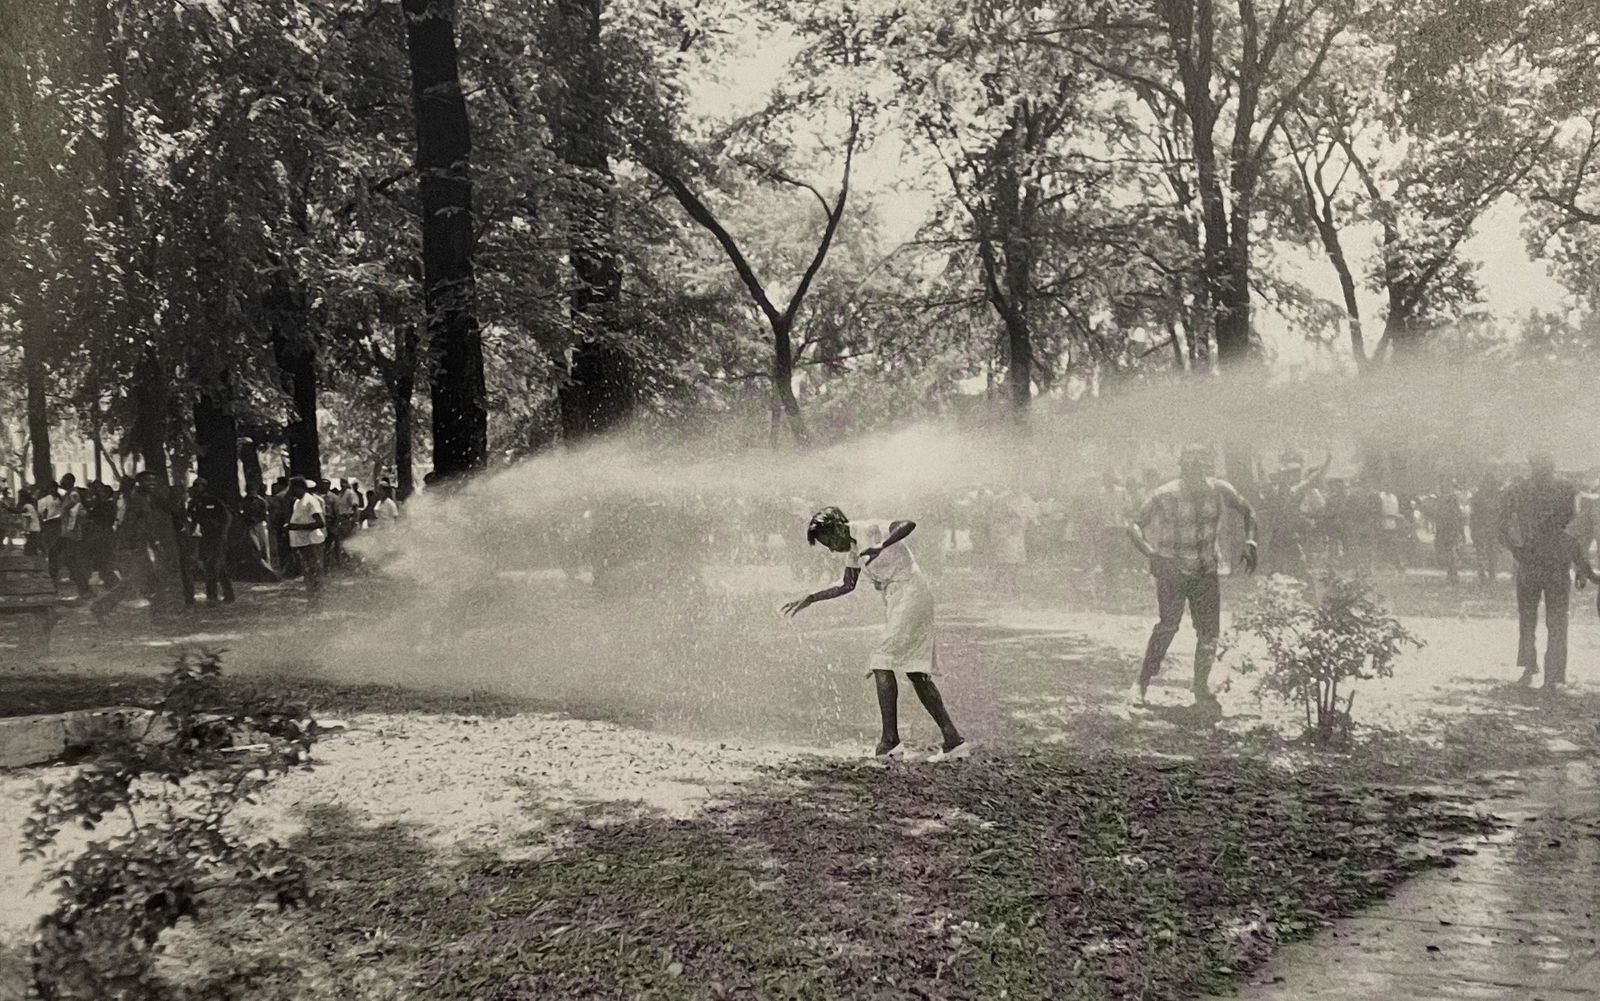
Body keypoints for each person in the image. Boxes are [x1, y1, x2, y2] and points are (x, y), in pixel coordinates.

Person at [782, 507, 968, 761]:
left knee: (883, 660)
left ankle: (890, 741)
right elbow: (847, 584)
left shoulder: (868, 528)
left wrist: (882, 544)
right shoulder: (852, 549)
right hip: (897, 598)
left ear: (837, 527)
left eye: (829, 541)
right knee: (915, 670)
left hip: (911, 592)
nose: (830, 549)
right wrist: (812, 598)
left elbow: (908, 522)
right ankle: (953, 740)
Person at [1127, 444, 1258, 709]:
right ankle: (1141, 683)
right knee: (1167, 626)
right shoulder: (1165, 494)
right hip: (1172, 569)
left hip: (1206, 569)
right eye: (1190, 468)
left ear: (1207, 469)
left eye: (1201, 469)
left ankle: (1200, 685)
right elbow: (1133, 525)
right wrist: (1152, 554)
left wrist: (1251, 542)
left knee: (1209, 632)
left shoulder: (1221, 490)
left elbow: (1248, 512)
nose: (1196, 475)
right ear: (1183, 469)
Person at [1498, 454, 1597, 688]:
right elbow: (1574, 534)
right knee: (1556, 621)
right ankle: (1552, 674)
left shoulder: (1519, 490)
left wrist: (1517, 550)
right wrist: (1582, 568)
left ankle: (1531, 667)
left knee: (1529, 618)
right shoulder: (1565, 490)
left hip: (1532, 563)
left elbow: (1501, 527)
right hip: (1554, 564)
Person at [186, 477, 235, 604]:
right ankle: (215, 595)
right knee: (209, 565)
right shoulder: (194, 503)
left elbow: (227, 518)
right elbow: (192, 521)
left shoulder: (214, 501)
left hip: (218, 537)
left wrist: (223, 534)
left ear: (204, 487)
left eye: (199, 486)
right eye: (195, 485)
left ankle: (219, 595)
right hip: (205, 537)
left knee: (217, 565)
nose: (197, 488)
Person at [286, 477, 327, 600]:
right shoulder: (297, 502)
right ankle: (311, 599)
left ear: (300, 488)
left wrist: (297, 527)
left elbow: (320, 523)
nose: (291, 491)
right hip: (302, 543)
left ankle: (318, 599)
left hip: (312, 542)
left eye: (292, 488)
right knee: (307, 571)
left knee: (314, 571)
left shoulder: (310, 501)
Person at [1470, 472, 1502, 583]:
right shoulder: (1495, 497)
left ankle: (1487, 574)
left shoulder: (1480, 496)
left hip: (1487, 529)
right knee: (1487, 553)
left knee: (1487, 553)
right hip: (1486, 529)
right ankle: (1486, 574)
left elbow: (1473, 516)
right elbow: (1473, 515)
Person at [1433, 482, 1467, 585]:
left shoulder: (1440, 501)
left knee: (1449, 551)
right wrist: (1461, 532)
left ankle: (1452, 573)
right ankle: (1453, 573)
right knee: (1451, 551)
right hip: (1451, 530)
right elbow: (1459, 517)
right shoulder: (1452, 501)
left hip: (1446, 530)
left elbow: (1437, 517)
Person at [36, 481, 63, 579]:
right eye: (50, 488)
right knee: (51, 549)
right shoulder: (44, 500)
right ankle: (53, 572)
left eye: (54, 488)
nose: (53, 490)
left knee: (59, 550)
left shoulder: (61, 498)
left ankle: (57, 570)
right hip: (49, 526)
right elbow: (42, 516)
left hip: (59, 526)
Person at [242, 484, 270, 564]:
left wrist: (258, 519)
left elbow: (265, 514)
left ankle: (267, 564)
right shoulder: (244, 501)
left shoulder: (260, 501)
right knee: (253, 546)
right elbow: (242, 512)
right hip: (249, 525)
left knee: (264, 545)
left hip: (260, 524)